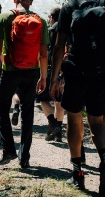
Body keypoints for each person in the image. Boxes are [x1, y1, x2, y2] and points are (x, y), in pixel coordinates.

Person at [49, 0, 105, 195]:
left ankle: (77, 171)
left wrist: (53, 78)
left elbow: (59, 46)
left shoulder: (69, 8)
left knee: (74, 119)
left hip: (76, 70)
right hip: (100, 71)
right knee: (97, 121)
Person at [0, 0, 49, 168]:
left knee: (2, 106)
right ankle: (25, 156)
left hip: (10, 70)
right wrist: (43, 77)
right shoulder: (41, 20)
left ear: (15, 0)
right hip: (32, 71)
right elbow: (43, 54)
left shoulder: (5, 17)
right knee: (28, 111)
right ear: (31, 2)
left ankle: (9, 150)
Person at [38, 7, 64, 142]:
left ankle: (53, 124)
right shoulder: (67, 28)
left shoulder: (50, 30)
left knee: (43, 99)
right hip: (64, 69)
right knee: (58, 101)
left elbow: (45, 52)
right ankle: (58, 132)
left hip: (50, 70)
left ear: (52, 17)